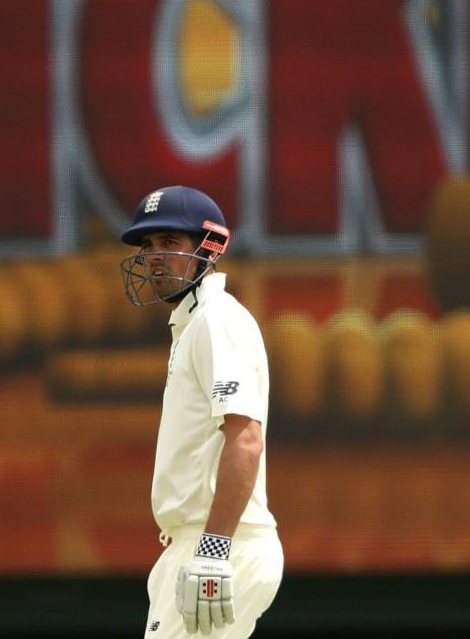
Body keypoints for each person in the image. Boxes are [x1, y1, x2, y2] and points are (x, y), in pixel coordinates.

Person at [119, 185, 282, 637]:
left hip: (222, 542)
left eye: (169, 242)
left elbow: (246, 438)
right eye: (148, 245)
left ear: (208, 247)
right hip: (202, 543)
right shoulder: (194, 324)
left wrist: (213, 549)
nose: (154, 257)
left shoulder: (216, 320)